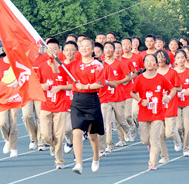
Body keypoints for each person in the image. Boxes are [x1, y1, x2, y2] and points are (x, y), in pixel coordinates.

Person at [131, 53, 176, 170]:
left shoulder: (161, 78)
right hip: (144, 113)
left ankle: (152, 162)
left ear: (156, 63)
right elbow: (132, 92)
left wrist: (168, 97)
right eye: (147, 61)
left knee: (155, 139)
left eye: (152, 61)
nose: (150, 63)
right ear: (144, 64)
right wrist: (140, 100)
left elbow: (172, 90)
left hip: (158, 113)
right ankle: (151, 147)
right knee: (145, 140)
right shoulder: (139, 78)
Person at [68, 37, 105, 175]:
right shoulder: (74, 64)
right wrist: (51, 59)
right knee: (76, 131)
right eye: (81, 46)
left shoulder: (97, 65)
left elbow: (101, 82)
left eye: (87, 46)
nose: (83, 48)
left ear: (92, 48)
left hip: (91, 100)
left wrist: (86, 86)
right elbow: (57, 71)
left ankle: (96, 157)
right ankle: (79, 163)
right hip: (77, 101)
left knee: (92, 135)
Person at [38, 38, 70, 169]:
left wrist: (61, 87)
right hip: (46, 105)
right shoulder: (41, 66)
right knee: (46, 135)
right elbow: (35, 84)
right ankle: (51, 145)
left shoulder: (65, 66)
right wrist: (42, 86)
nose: (52, 51)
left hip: (61, 105)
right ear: (46, 50)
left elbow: (72, 85)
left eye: (55, 49)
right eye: (49, 49)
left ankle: (59, 161)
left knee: (59, 135)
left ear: (59, 50)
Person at [98, 41, 132, 154]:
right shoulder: (100, 64)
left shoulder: (120, 63)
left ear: (114, 50)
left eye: (110, 48)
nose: (108, 50)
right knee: (106, 123)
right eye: (106, 48)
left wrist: (118, 82)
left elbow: (128, 77)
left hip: (118, 96)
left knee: (121, 120)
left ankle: (128, 130)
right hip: (105, 97)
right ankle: (109, 144)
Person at [0, 48, 20, 157]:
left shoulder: (18, 62)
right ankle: (7, 139)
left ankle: (13, 147)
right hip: (3, 96)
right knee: (2, 122)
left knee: (13, 122)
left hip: (15, 96)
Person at [173, 49, 189, 157]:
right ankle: (179, 141)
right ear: (175, 60)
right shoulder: (172, 72)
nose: (180, 60)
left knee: (188, 127)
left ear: (185, 59)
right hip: (176, 103)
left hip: (188, 102)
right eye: (178, 58)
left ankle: (186, 148)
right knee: (179, 127)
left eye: (182, 58)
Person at [156, 50, 182, 154]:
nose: (160, 59)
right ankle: (164, 156)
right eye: (158, 57)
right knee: (160, 133)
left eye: (163, 57)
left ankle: (177, 140)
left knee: (169, 133)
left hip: (170, 103)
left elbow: (179, 87)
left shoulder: (173, 72)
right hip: (157, 106)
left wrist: (170, 92)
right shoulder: (153, 72)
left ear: (167, 58)